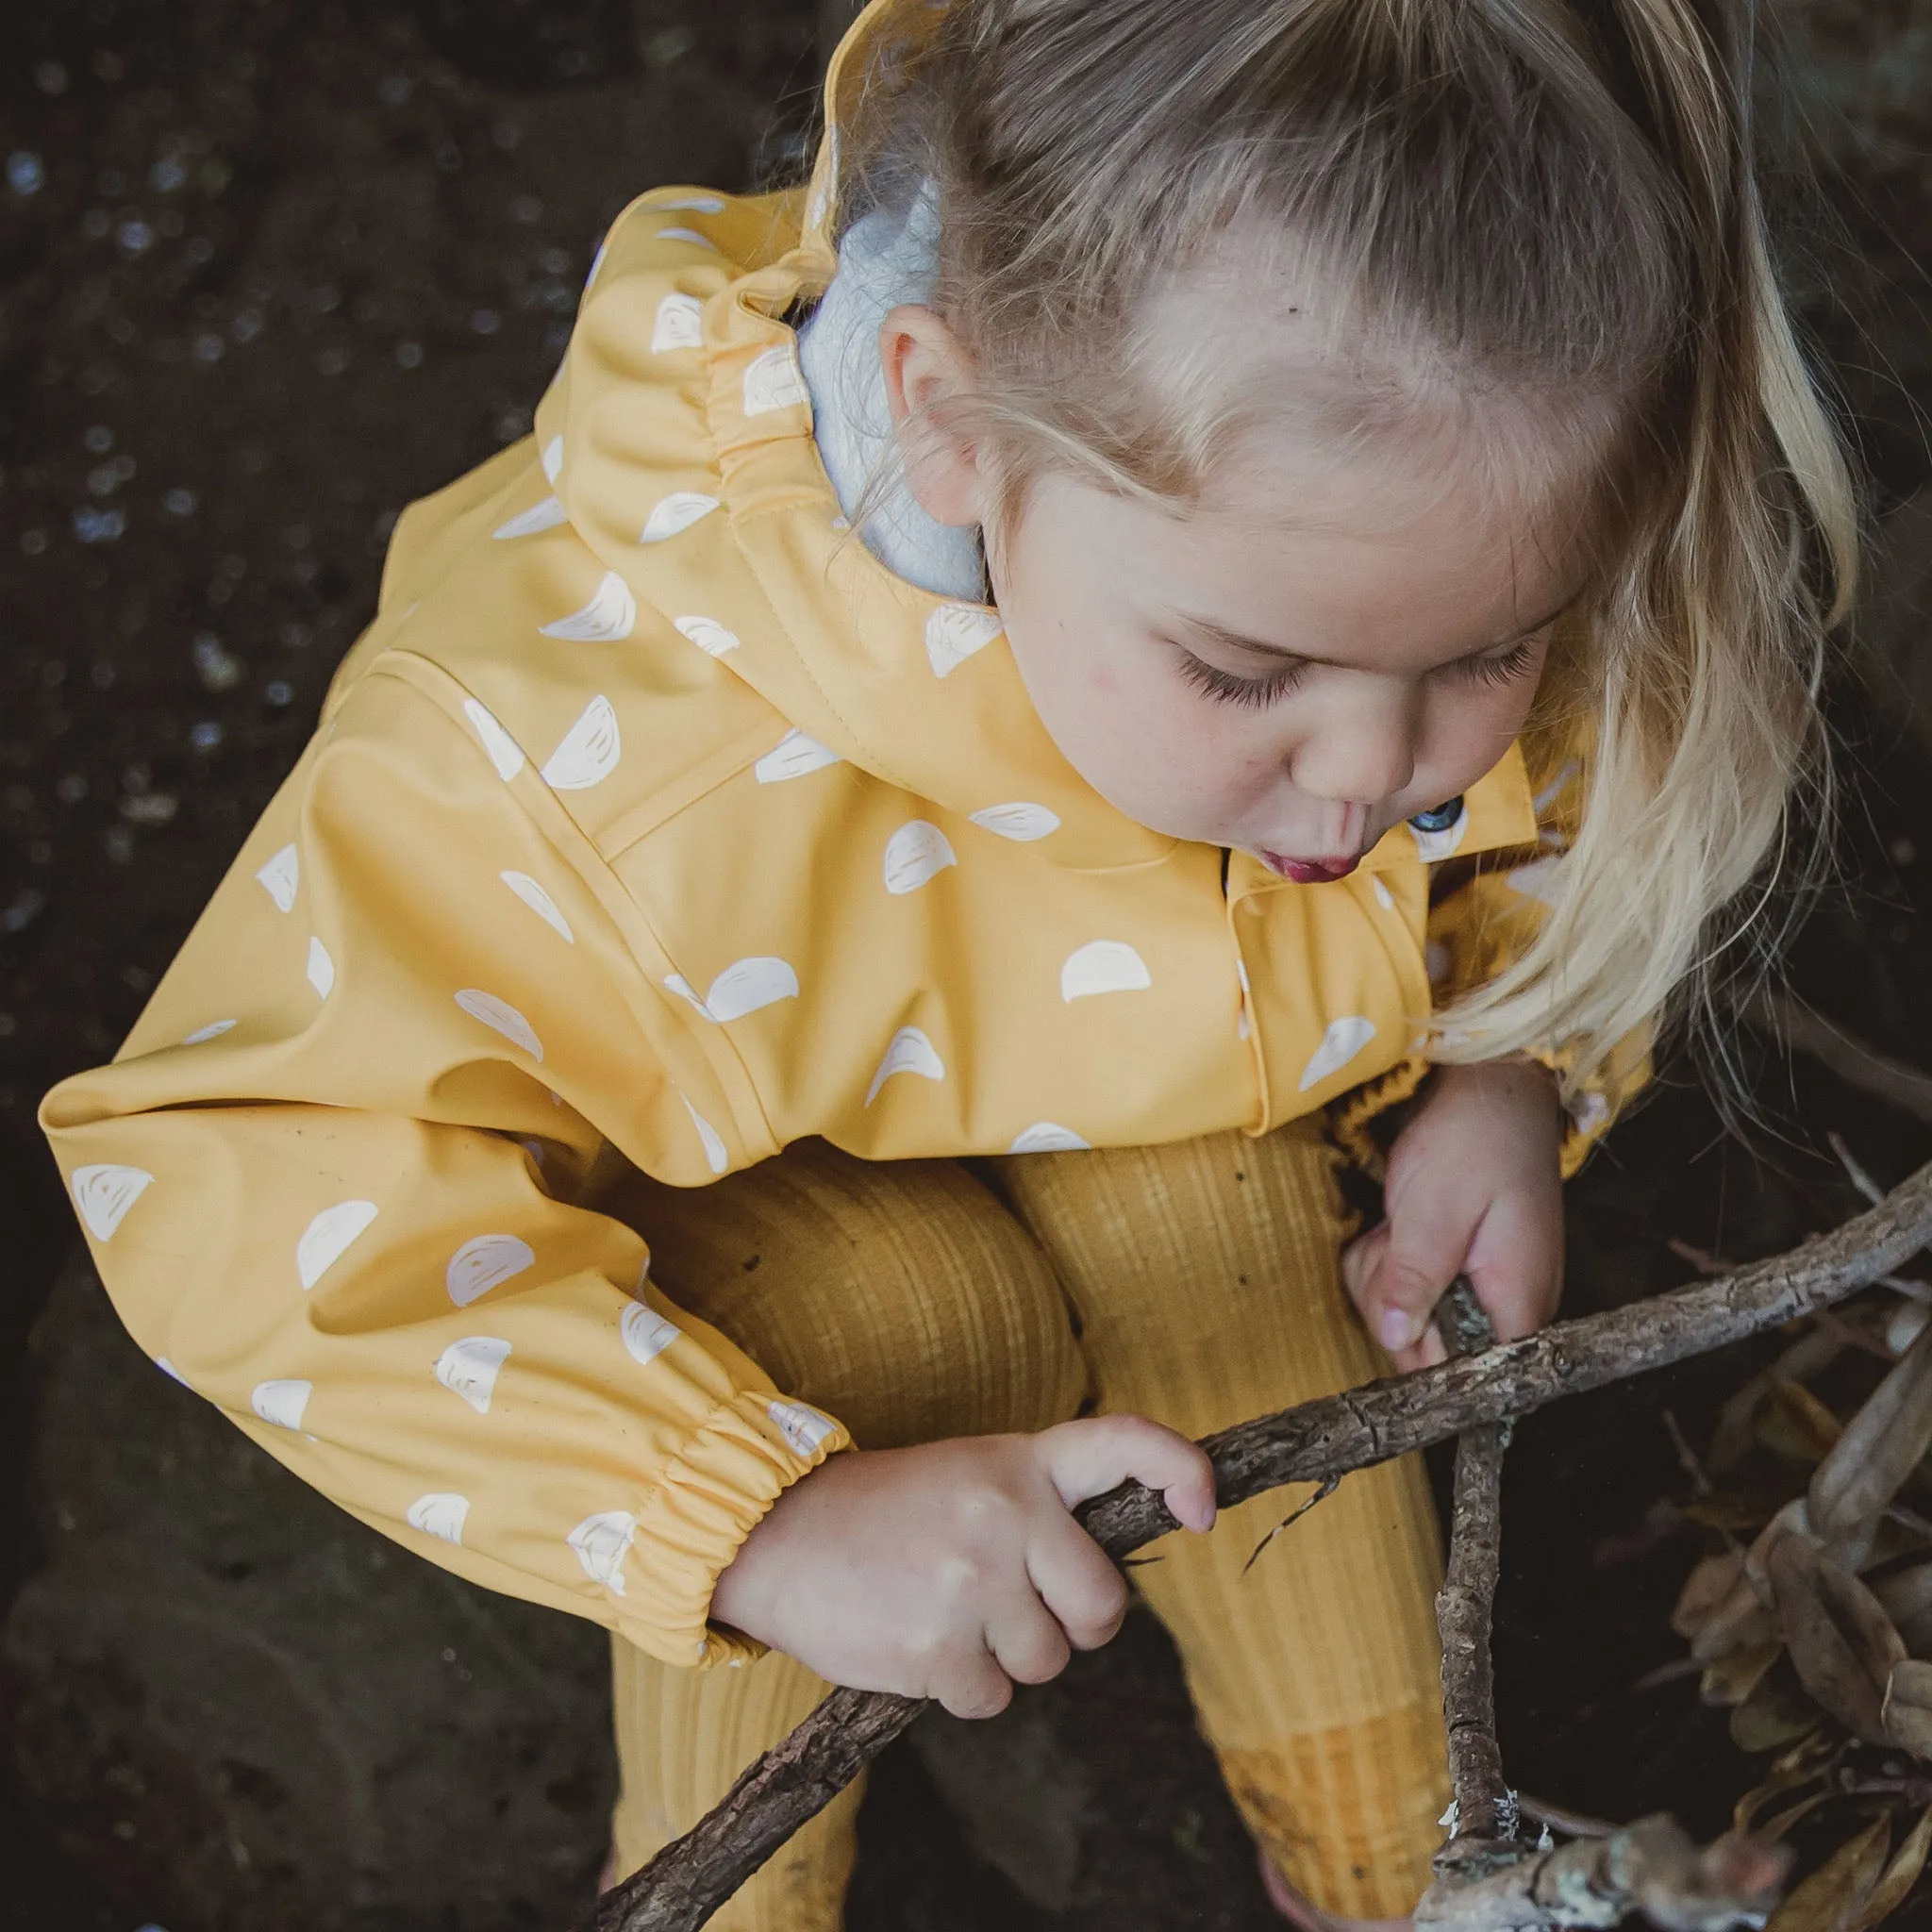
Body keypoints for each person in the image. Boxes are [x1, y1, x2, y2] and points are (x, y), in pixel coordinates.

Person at [40, 0, 1853, 1922]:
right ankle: (725, 1898)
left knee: (1235, 1242)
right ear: (947, 416)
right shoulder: (598, 764)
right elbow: (239, 1158)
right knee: (922, 1327)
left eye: (1484, 654)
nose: (1373, 770)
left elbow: (1574, 806)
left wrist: (1504, 1065)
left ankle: (1410, 1862)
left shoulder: (1409, 512)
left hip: (1123, 1070)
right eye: (1245, 671)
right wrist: (756, 1523)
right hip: (698, 1164)